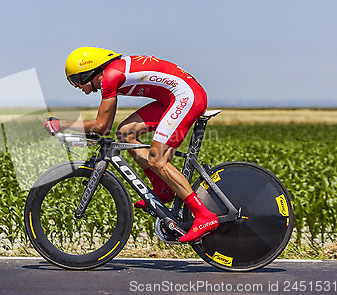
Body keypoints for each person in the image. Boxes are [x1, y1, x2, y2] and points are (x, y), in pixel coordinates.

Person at [43, 47, 218, 243]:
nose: (77, 87)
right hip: (174, 97)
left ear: (88, 72)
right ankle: (162, 188)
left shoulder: (109, 76)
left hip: (186, 97)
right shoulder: (112, 72)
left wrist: (63, 124)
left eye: (76, 81)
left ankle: (203, 215)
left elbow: (102, 126)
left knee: (158, 160)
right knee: (125, 133)